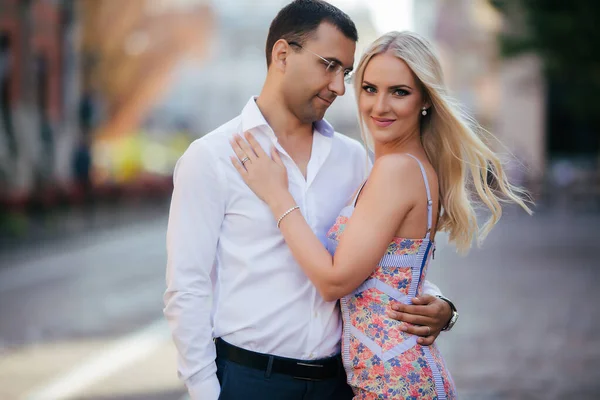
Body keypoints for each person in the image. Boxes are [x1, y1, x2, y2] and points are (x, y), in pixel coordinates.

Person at [163, 2, 456, 399]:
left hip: (340, 384)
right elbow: (187, 288)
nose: (339, 87)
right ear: (282, 54)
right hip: (251, 380)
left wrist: (440, 305)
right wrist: (204, 391)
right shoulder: (211, 157)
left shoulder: (353, 158)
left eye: (346, 73)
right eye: (329, 65)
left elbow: (375, 257)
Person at [229, 30, 532, 398]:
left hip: (394, 382)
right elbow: (395, 274)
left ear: (425, 100)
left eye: (399, 92)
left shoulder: (397, 171)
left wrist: (278, 196)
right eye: (370, 89)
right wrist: (445, 309)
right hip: (389, 376)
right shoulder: (402, 167)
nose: (379, 106)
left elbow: (334, 282)